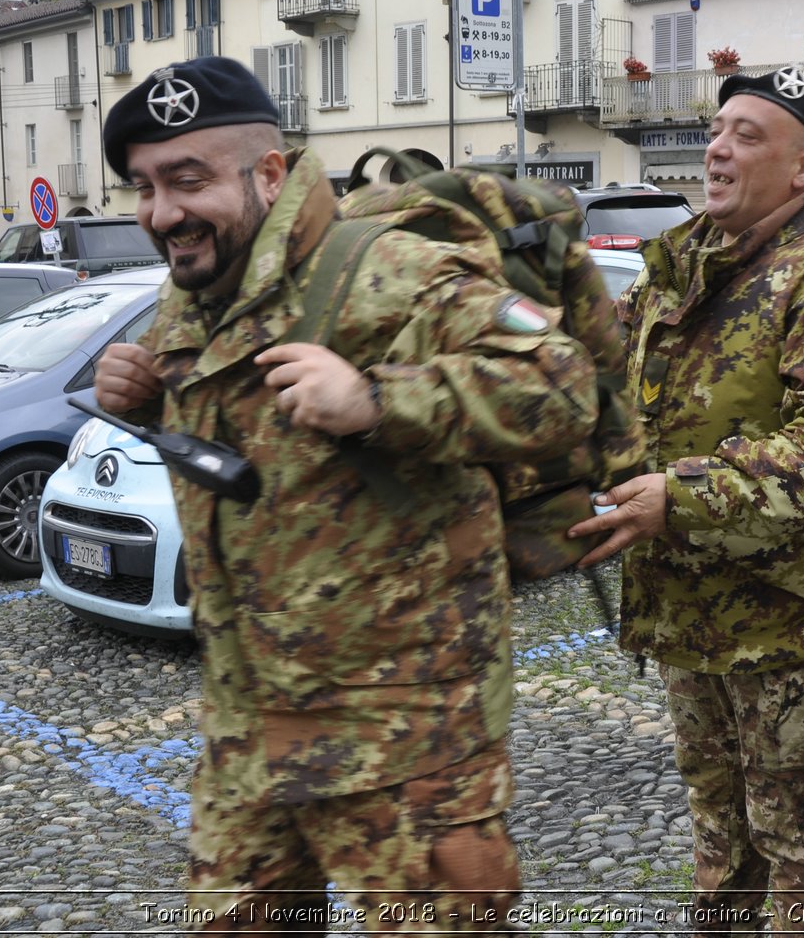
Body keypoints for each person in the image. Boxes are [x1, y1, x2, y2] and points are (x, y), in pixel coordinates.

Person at [93, 57, 600, 933]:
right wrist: (146, 398)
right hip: (248, 733)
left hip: (406, 743)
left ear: (270, 173)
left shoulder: (389, 270)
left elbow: (562, 385)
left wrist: (378, 401)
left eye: (187, 179)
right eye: (143, 187)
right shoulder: (196, 298)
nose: (163, 212)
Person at [568, 66, 804, 932]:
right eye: (717, 130)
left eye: (747, 136)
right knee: (719, 825)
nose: (717, 149)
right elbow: (600, 381)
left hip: (790, 623)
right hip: (690, 607)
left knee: (790, 828)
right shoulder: (679, 269)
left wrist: (679, 499)